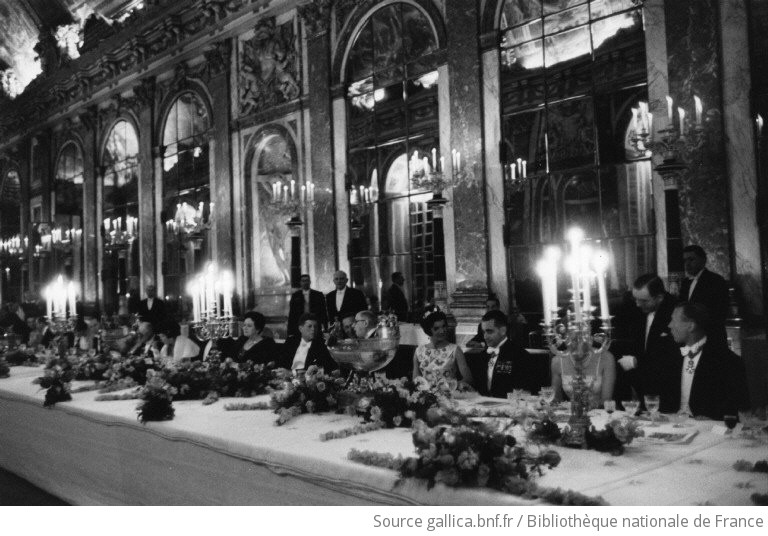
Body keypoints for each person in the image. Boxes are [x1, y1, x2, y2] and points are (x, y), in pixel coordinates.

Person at [661, 302, 749, 420]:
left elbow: (735, 404)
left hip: (708, 430)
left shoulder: (726, 361)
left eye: (674, 320)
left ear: (691, 326)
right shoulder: (669, 355)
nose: (669, 325)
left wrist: (711, 418)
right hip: (673, 425)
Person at [612, 274, 679, 406]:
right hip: (641, 382)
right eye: (635, 299)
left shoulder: (675, 311)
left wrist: (637, 361)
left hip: (667, 384)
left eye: (643, 301)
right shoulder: (635, 307)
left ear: (659, 298)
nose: (637, 304)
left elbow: (671, 353)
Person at [469, 310, 540, 397]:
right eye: (483, 332)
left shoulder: (520, 355)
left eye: (489, 331)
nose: (485, 337)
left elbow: (527, 390)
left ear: (503, 330)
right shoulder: (482, 356)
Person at [679, 245, 729, 345]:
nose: (687, 264)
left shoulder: (716, 281)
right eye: (685, 261)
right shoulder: (685, 283)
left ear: (703, 260)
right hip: (691, 338)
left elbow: (720, 312)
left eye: (691, 259)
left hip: (711, 337)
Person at [412, 310, 473, 390]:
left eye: (444, 326)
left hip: (449, 397)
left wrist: (450, 387)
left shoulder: (455, 350)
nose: (442, 331)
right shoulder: (419, 351)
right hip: (427, 397)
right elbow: (416, 381)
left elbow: (468, 379)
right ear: (428, 330)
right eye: (436, 328)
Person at [551, 342, 616, 410]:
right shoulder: (557, 360)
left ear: (590, 339)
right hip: (572, 414)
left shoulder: (606, 358)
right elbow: (556, 398)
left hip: (600, 413)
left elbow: (606, 401)